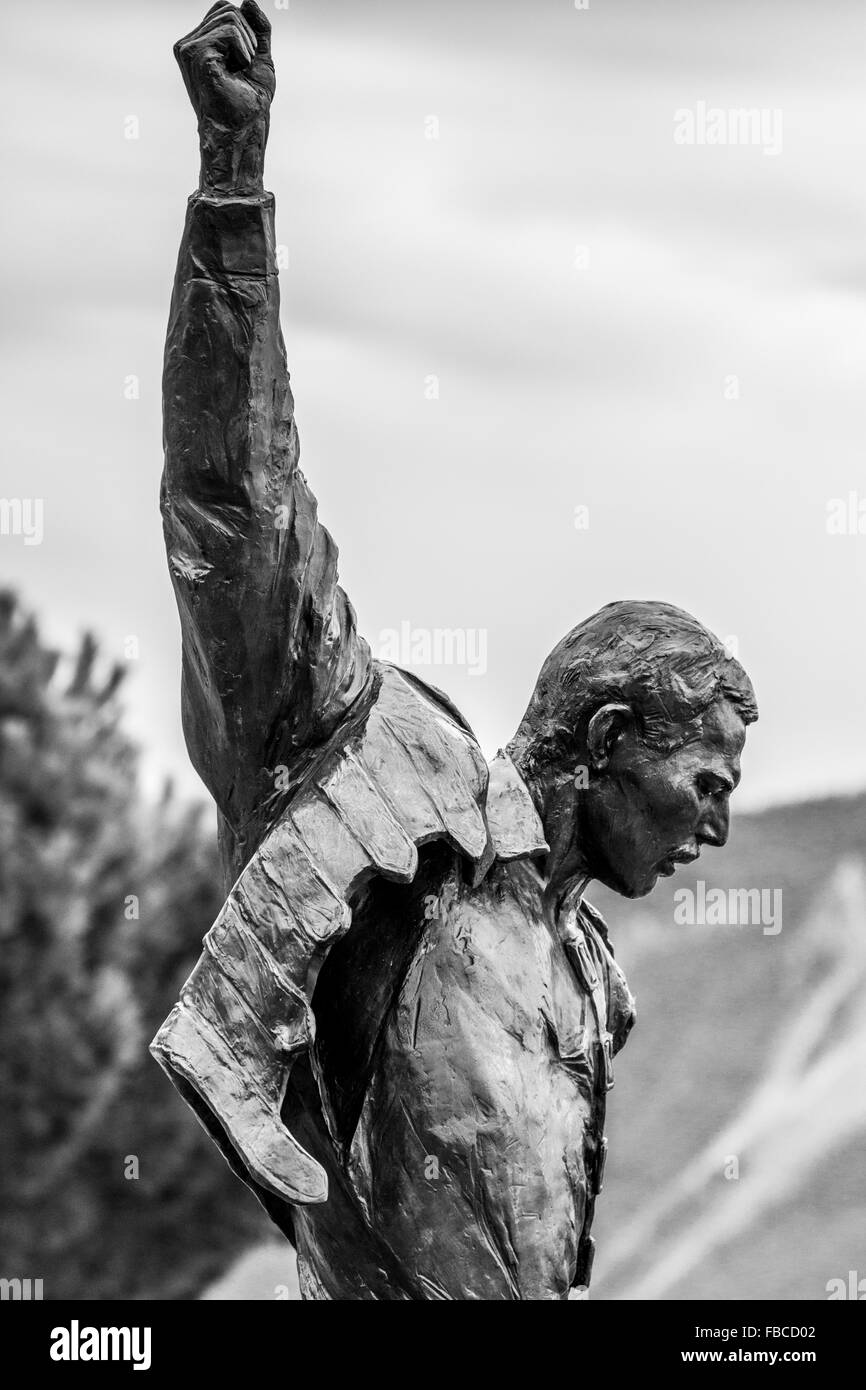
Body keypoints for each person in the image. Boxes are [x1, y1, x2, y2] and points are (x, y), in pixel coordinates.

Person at [153, 1, 758, 1300]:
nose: (719, 825)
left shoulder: (584, 980)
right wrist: (233, 186)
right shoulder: (377, 788)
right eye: (705, 784)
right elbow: (235, 510)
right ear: (606, 744)